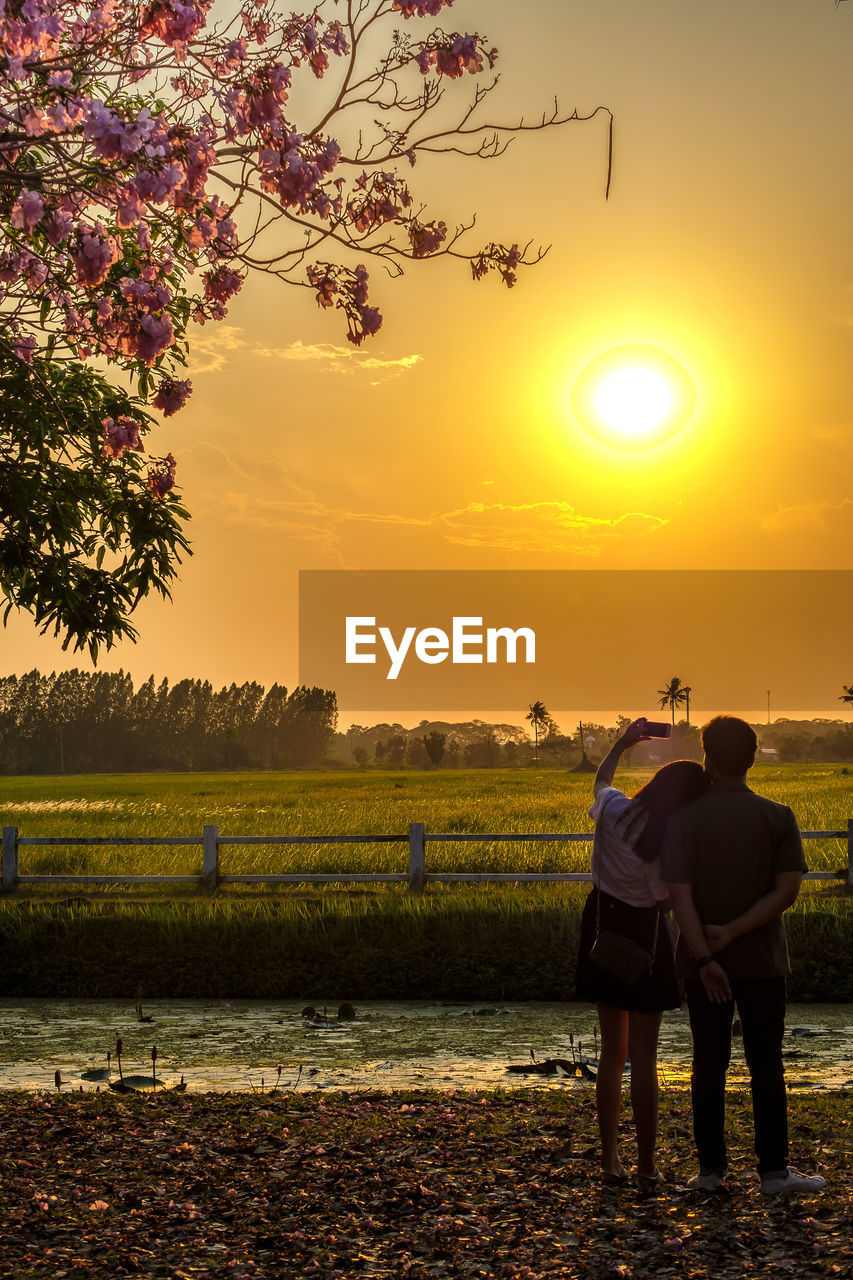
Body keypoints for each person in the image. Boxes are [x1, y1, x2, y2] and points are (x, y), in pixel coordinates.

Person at [661, 714, 826, 1197]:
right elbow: (787, 892)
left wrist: (705, 956)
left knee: (708, 1064)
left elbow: (679, 898)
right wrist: (734, 932)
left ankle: (711, 1171)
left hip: (700, 963)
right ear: (752, 759)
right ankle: (774, 1173)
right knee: (766, 1064)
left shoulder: (683, 820)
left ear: (708, 758)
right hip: (763, 961)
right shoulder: (777, 816)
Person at [575, 717, 709, 1187]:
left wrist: (623, 743)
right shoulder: (665, 845)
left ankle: (610, 1160)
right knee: (644, 1061)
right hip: (647, 944)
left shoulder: (613, 810)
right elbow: (667, 900)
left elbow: (601, 781)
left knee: (612, 1054)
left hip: (604, 933)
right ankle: (648, 1165)